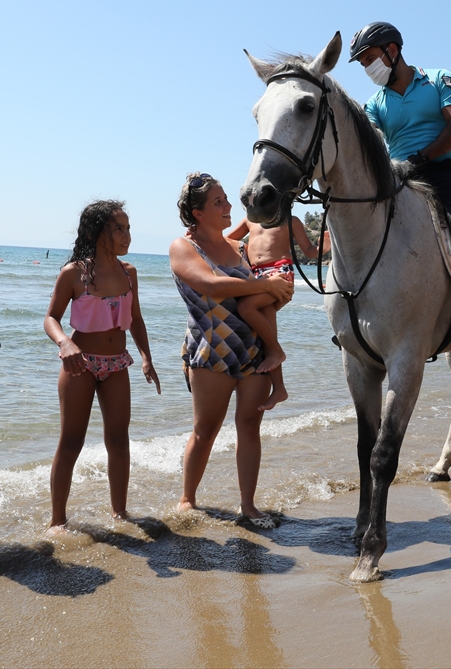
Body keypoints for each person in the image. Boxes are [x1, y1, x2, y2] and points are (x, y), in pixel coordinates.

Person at [349, 22, 451, 353]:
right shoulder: (374, 104)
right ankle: (351, 319)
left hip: (444, 174)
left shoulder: (440, 79)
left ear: (392, 51)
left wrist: (420, 158)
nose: (368, 68)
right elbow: (364, 144)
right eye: (363, 63)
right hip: (399, 179)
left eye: (370, 59)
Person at [169, 173, 294, 527]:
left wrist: (277, 292)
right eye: (218, 202)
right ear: (198, 212)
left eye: (226, 199)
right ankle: (187, 499)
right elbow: (209, 284)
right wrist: (263, 284)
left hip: (252, 348)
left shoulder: (238, 248)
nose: (228, 207)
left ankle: (248, 505)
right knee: (205, 430)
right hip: (211, 349)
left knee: (250, 425)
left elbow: (255, 301)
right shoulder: (183, 247)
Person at [44, 201, 160, 530]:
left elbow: (136, 319)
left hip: (117, 364)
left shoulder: (129, 273)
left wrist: (147, 357)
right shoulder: (74, 273)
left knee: (119, 440)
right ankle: (58, 521)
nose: (127, 235)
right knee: (71, 441)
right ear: (97, 233)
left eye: (128, 228)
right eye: (118, 229)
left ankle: (120, 514)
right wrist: (65, 342)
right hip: (80, 364)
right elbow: (50, 318)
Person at [225, 215, 330, 410]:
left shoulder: (290, 221)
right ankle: (279, 388)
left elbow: (309, 251)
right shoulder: (250, 219)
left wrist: (323, 247)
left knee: (246, 307)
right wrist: (198, 237)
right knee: (266, 322)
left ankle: (277, 352)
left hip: (280, 272)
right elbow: (226, 239)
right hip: (256, 274)